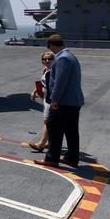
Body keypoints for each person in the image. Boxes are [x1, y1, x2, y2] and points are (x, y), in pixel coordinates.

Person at [36, 34, 85, 169]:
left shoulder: (62, 58)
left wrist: (54, 100)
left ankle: (52, 158)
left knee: (54, 129)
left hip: (64, 102)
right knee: (71, 131)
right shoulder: (70, 56)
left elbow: (60, 81)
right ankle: (72, 158)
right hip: (73, 101)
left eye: (49, 47)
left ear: (51, 45)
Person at [28, 51, 54, 152]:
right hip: (46, 98)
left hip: (51, 100)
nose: (47, 61)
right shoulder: (45, 70)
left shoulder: (53, 71)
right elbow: (43, 84)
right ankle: (50, 142)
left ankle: (41, 144)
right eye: (44, 59)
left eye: (49, 59)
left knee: (47, 121)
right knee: (50, 122)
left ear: (54, 60)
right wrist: (35, 91)